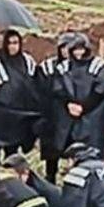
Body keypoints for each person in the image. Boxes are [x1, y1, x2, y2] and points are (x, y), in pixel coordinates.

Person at [0, 29, 44, 167]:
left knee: (12, 152)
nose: (13, 46)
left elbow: (36, 83)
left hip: (18, 114)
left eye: (16, 43)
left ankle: (10, 180)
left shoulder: (27, 61)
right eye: (10, 43)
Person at [52, 33, 104, 160]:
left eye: (81, 49)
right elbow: (59, 89)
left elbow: (101, 90)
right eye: (75, 49)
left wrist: (84, 107)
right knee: (73, 151)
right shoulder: (64, 68)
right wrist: (69, 104)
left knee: (94, 151)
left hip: (93, 117)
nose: (78, 53)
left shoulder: (98, 66)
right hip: (71, 117)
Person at [37, 32, 74, 182]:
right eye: (63, 47)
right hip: (51, 114)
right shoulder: (48, 66)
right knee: (51, 154)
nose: (65, 51)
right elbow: (40, 88)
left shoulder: (78, 68)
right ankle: (50, 180)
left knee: (72, 150)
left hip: (71, 116)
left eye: (69, 47)